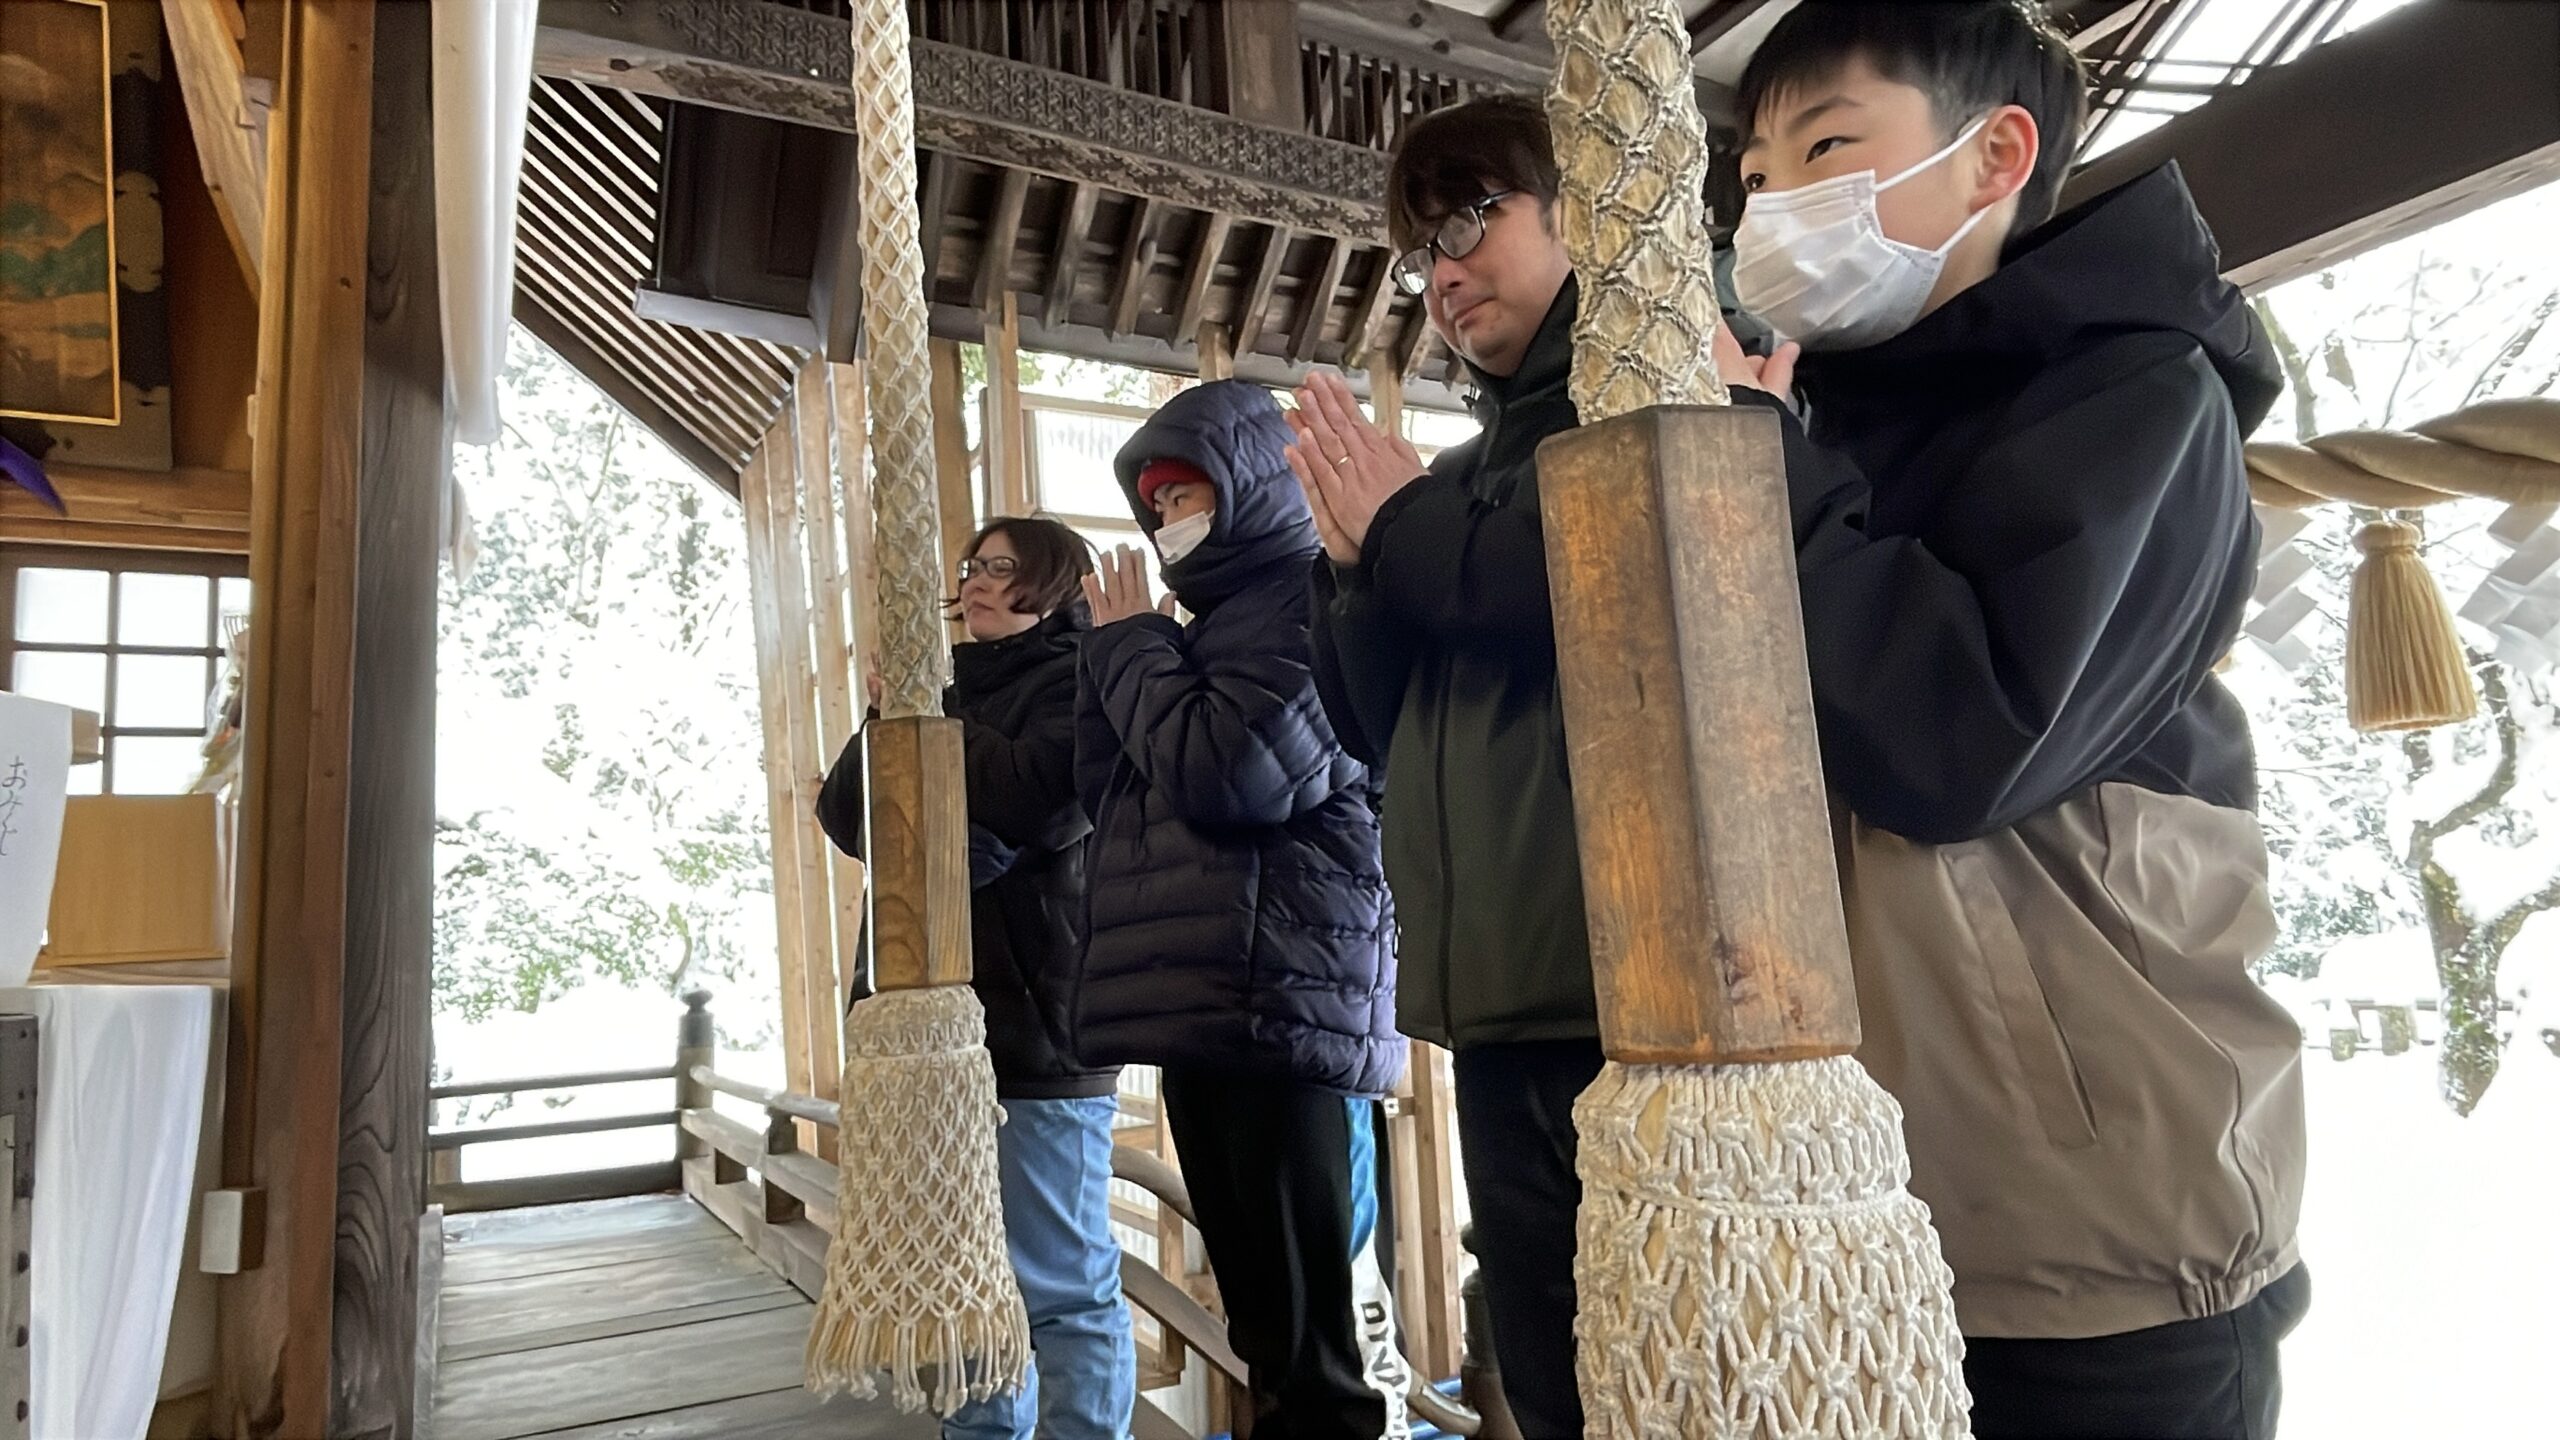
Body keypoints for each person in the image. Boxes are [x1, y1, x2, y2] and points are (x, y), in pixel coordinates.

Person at [1297, 3, 2309, 1433]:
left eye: (1826, 146)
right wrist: (1360, 573)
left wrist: (1722, 465)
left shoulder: (2130, 393)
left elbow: (1951, 734)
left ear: (1993, 153)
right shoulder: (1813, 409)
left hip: (2102, 1228)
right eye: (1755, 175)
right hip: (1856, 1197)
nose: (1773, 204)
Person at [1070, 379, 1409, 1438]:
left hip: (1289, 1011)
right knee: (1272, 1335)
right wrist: (1120, 657)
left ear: (1252, 485)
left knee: (1325, 1351)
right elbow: (1111, 799)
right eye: (1156, 506)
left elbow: (1235, 773)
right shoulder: (1202, 626)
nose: (1166, 523)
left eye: (1184, 496)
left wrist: (1130, 648)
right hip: (1211, 1007)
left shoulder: (1310, 599)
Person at [814, 517, 1134, 1440]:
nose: (980, 580)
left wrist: (930, 727)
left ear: (1059, 584)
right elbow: (846, 814)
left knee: (1061, 1281)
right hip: (923, 1039)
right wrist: (891, 714)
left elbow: (1040, 798)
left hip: (1038, 1030)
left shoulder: (1085, 678)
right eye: (975, 566)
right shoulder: (942, 683)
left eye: (1007, 568)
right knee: (961, 1275)